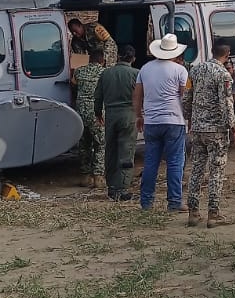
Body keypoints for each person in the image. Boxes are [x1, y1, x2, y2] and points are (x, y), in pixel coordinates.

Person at [133, 33, 190, 212]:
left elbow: (137, 96)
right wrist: (188, 116)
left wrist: (139, 116)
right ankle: (174, 201)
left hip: (151, 121)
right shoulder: (180, 70)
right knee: (174, 162)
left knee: (151, 162)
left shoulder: (145, 69)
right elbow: (185, 96)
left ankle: (146, 202)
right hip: (174, 120)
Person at [186, 42, 235, 228]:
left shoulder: (195, 70)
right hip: (216, 130)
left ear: (212, 51)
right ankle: (213, 214)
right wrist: (234, 129)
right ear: (228, 54)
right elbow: (226, 104)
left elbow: (187, 97)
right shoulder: (223, 75)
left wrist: (190, 119)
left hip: (198, 128)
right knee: (216, 171)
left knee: (196, 169)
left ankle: (193, 212)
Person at [95, 44, 139, 201]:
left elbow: (98, 96)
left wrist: (98, 113)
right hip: (129, 115)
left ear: (118, 56)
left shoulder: (106, 73)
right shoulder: (136, 74)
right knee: (126, 151)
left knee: (111, 151)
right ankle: (122, 188)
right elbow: (142, 96)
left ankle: (111, 187)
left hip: (111, 115)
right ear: (133, 59)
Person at [72, 45, 106, 188]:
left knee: (84, 145)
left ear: (89, 59)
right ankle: (98, 177)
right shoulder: (104, 73)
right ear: (102, 61)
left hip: (80, 113)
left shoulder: (79, 71)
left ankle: (86, 177)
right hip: (96, 113)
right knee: (100, 144)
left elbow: (73, 84)